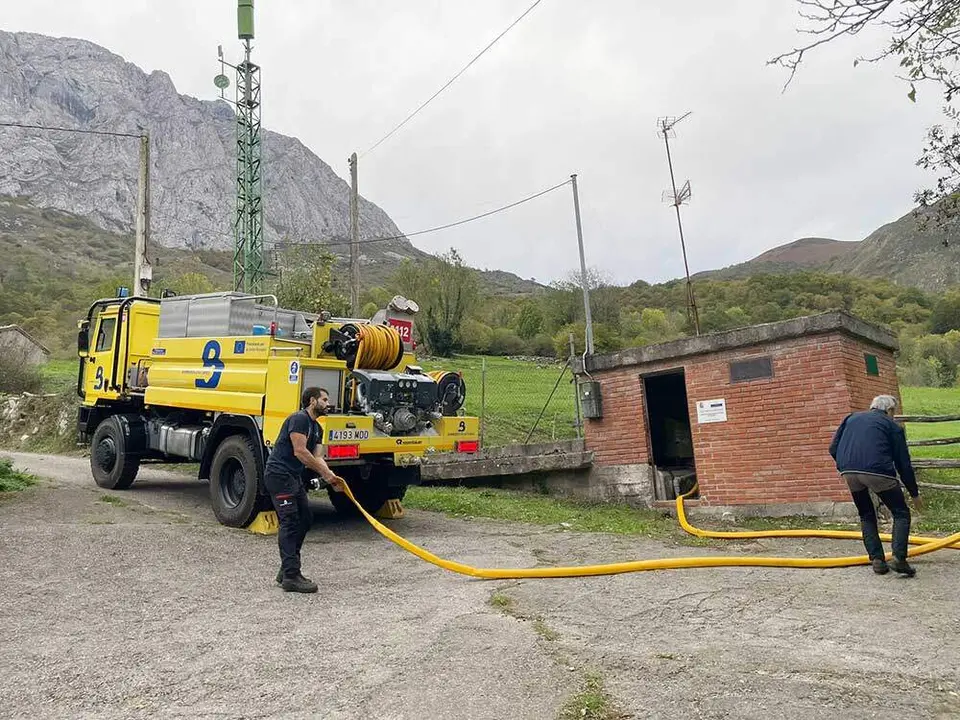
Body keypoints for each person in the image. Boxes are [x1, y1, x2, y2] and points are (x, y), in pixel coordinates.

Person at [829, 394, 923, 577]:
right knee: (901, 513)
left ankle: (878, 561)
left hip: (849, 473)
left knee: (866, 514)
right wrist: (914, 493)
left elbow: (832, 448)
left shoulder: (851, 418)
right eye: (893, 412)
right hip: (878, 472)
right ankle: (899, 559)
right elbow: (903, 463)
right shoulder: (892, 426)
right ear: (889, 410)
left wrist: (845, 466)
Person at [265, 386, 343, 593]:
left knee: (306, 518)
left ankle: (286, 568)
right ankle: (291, 576)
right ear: (312, 401)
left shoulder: (318, 428)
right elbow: (300, 451)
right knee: (289, 521)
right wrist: (325, 474)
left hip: (293, 477)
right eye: (324, 400)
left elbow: (317, 457)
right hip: (278, 475)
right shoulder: (299, 419)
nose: (328, 404)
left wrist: (332, 477)